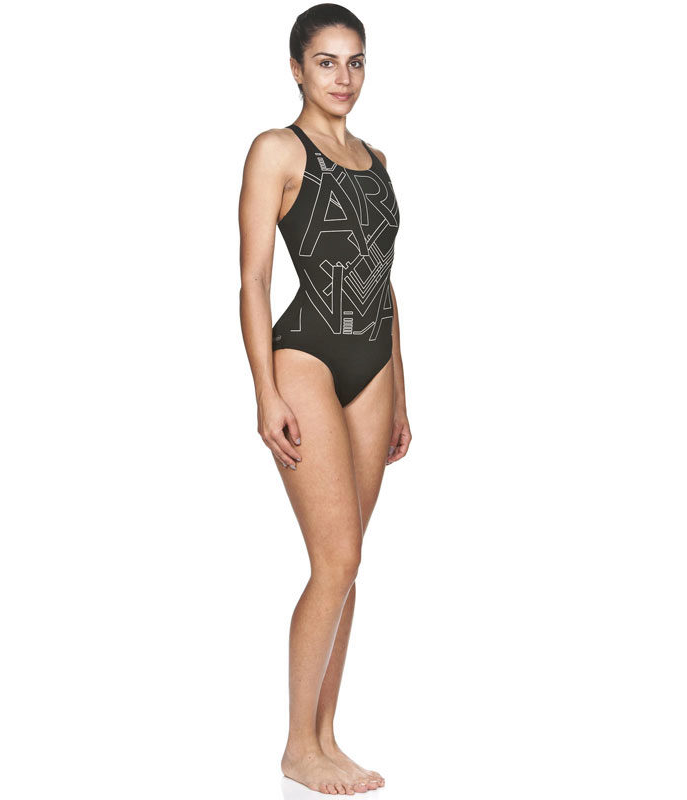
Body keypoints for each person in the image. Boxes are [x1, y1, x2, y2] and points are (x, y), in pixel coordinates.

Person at [238, 4, 411, 794]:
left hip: (373, 365)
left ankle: (326, 735)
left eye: (356, 61)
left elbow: (384, 283)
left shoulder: (377, 159)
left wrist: (400, 392)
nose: (344, 77)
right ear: (297, 69)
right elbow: (253, 279)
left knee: (350, 563)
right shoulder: (277, 149)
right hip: (305, 354)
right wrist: (265, 391)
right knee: (333, 558)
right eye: (327, 61)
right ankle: (295, 747)